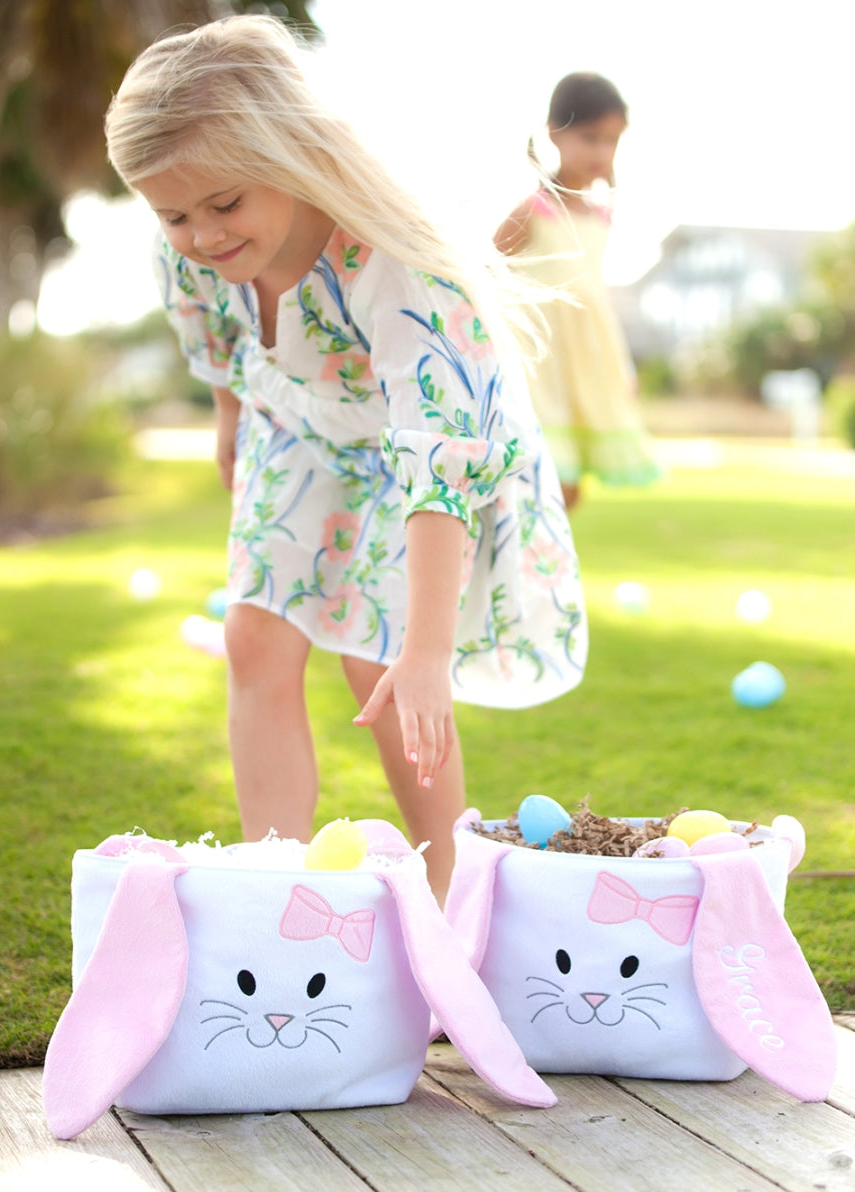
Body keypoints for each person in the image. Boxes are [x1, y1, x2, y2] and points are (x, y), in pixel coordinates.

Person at [105, 15, 587, 899]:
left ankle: (451, 892)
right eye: (172, 213)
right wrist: (225, 416)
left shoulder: (391, 258)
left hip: (423, 451)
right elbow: (209, 326)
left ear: (288, 157)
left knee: (381, 659)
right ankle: (279, 888)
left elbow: (440, 453)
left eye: (224, 205)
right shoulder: (193, 239)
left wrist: (428, 652)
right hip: (293, 427)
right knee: (253, 636)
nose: (202, 234)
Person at [495, 72, 659, 511]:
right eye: (589, 137)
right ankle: (520, 567)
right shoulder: (535, 209)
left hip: (586, 359)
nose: (601, 151)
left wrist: (622, 367)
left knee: (571, 488)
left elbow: (595, 293)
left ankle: (550, 570)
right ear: (555, 133)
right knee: (541, 471)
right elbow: (486, 273)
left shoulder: (602, 216)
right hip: (540, 358)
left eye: (611, 140)